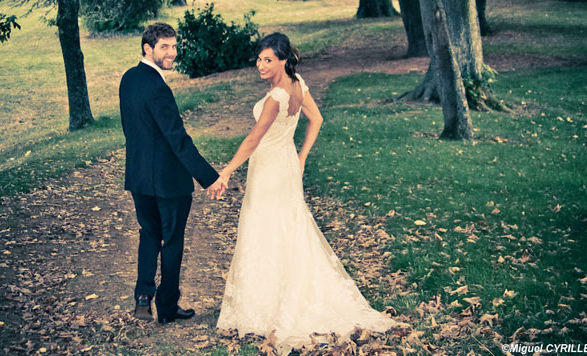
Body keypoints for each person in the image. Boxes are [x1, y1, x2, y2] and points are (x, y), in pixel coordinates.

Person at [216, 33, 395, 352]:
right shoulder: (297, 85)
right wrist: (300, 156)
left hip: (271, 169)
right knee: (288, 229)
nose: (261, 65)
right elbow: (316, 119)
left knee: (268, 229)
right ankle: (278, 294)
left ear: (284, 60)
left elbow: (254, 140)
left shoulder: (276, 98)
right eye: (259, 59)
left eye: (268, 60)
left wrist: (227, 170)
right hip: (285, 163)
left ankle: (272, 305)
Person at [119, 22, 226, 325]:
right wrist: (210, 177)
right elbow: (177, 139)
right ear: (147, 49)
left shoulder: (129, 79)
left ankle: (142, 297)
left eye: (174, 46)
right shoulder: (158, 88)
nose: (171, 52)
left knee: (149, 234)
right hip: (168, 181)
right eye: (164, 47)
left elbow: (135, 130)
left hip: (139, 177)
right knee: (173, 240)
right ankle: (166, 306)